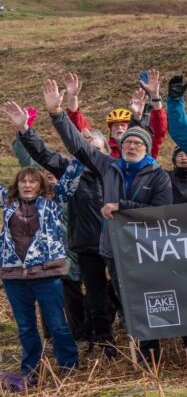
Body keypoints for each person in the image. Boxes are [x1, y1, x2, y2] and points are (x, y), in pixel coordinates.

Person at [42, 80, 187, 370]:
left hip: (148, 252)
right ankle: (141, 357)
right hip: (114, 250)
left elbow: (160, 212)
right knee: (128, 303)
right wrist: (57, 114)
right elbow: (78, 146)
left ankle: (163, 354)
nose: (132, 146)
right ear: (119, 148)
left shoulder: (158, 175)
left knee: (150, 301)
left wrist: (122, 207)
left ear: (146, 148)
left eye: (138, 143)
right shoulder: (107, 167)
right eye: (127, 143)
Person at [7, 102, 115, 358]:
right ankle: (104, 344)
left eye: (97, 150)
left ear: (106, 152)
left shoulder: (115, 172)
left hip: (118, 245)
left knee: (118, 296)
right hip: (87, 245)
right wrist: (25, 130)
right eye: (88, 151)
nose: (92, 156)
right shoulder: (72, 172)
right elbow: (42, 155)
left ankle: (106, 331)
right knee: (94, 299)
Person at [0, 161, 82, 384]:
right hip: (14, 275)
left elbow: (71, 177)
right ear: (17, 184)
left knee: (57, 323)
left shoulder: (52, 202)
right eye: (23, 181)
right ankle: (30, 370)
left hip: (47, 274)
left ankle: (69, 366)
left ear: (40, 184)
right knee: (26, 327)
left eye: (33, 181)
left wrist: (82, 147)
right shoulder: (8, 203)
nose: (27, 185)